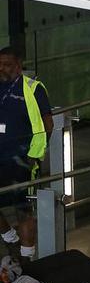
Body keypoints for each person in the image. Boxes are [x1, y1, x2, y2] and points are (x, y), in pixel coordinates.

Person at [0, 46, 51, 266]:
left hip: (23, 159)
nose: (2, 68)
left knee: (22, 208)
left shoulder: (33, 88)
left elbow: (47, 123)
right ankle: (10, 238)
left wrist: (35, 154)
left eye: (7, 64)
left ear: (19, 65)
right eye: (0, 64)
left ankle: (27, 257)